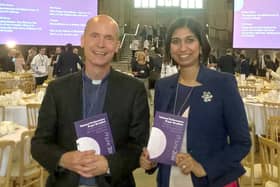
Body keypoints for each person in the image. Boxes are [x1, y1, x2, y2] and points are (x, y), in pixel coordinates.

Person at [31, 15, 150, 187]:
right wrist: (64, 159)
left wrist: (109, 164)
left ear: (117, 46)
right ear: (82, 41)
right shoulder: (57, 89)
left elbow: (138, 145)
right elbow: (39, 144)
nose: (101, 44)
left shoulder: (134, 90)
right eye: (94, 36)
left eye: (108, 38)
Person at [140, 17, 251, 187]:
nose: (183, 47)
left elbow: (242, 143)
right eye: (176, 41)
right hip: (170, 179)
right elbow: (161, 137)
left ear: (201, 46)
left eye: (190, 40)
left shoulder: (223, 83)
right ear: (170, 48)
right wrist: (152, 160)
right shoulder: (163, 86)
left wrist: (204, 167)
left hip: (209, 180)